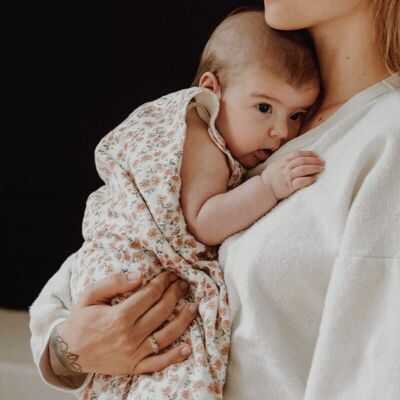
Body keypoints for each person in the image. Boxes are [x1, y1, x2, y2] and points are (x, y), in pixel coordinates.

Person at [30, 0, 400, 399]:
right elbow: (113, 247)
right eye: (266, 109)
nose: (280, 129)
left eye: (290, 115)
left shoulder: (384, 138)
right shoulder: (229, 117)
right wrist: (68, 349)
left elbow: (378, 376)